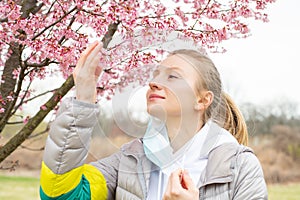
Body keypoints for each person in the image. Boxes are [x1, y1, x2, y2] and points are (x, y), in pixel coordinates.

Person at [39, 41, 268, 200]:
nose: (154, 82)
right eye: (156, 74)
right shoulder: (128, 161)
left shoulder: (239, 166)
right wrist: (84, 98)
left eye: (172, 76)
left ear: (202, 100)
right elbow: (60, 193)